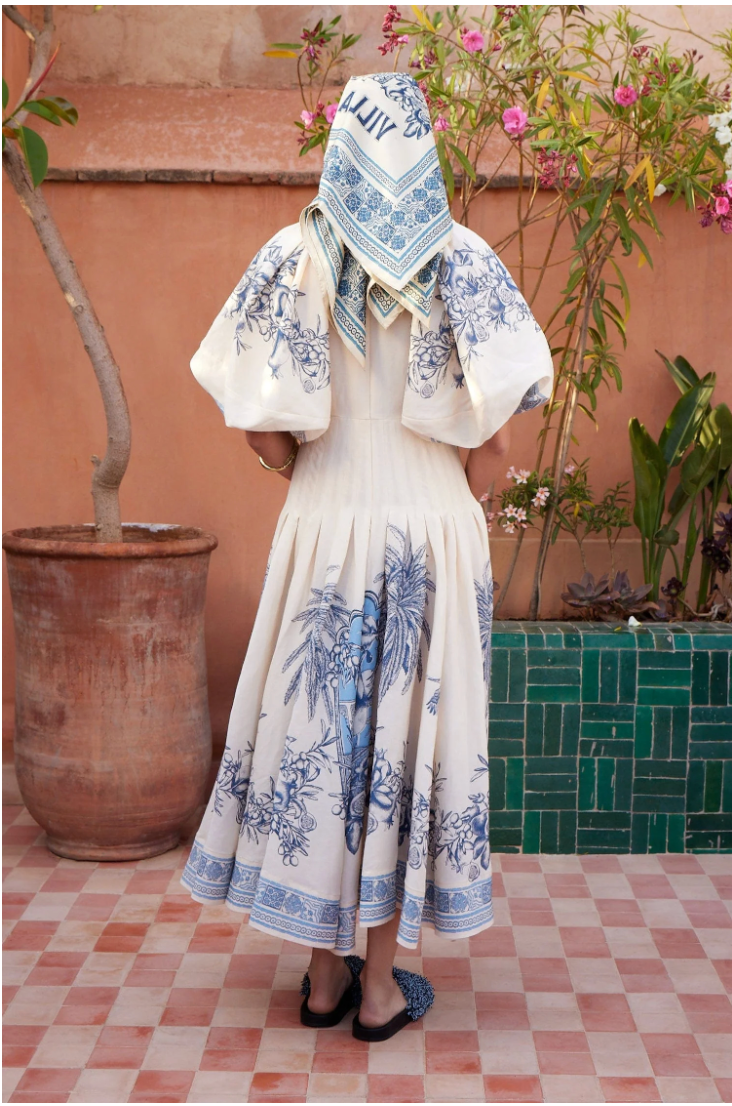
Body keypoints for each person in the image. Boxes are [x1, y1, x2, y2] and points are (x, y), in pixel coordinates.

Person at [181, 72, 553, 1041]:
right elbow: (496, 443)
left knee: (319, 743)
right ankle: (380, 987)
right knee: (405, 753)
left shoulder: (292, 256)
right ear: (421, 149)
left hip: (324, 522)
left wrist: (315, 477)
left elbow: (262, 430)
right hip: (434, 525)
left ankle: (320, 977)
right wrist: (450, 500)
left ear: (342, 149)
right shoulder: (462, 261)